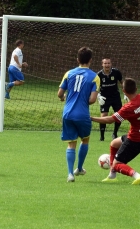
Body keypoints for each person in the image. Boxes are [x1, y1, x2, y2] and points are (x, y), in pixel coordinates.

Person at [91, 78, 140, 185]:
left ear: (123, 91)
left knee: (117, 164)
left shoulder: (128, 107)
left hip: (135, 140)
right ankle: (112, 175)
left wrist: (91, 118)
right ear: (136, 88)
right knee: (114, 143)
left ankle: (138, 176)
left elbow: (110, 120)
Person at [57, 46, 101, 182]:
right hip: (82, 114)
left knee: (71, 144)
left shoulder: (68, 73)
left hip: (68, 113)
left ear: (78, 60)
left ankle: (70, 174)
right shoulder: (95, 77)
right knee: (85, 140)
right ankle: (80, 168)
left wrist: (64, 98)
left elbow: (60, 94)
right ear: (91, 60)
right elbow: (92, 100)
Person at [97, 58, 124, 141]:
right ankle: (102, 136)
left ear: (111, 64)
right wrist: (98, 96)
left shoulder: (116, 72)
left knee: (119, 116)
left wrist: (126, 92)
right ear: (102, 64)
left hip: (115, 97)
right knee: (103, 116)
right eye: (105, 63)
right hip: (104, 98)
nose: (107, 65)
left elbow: (122, 82)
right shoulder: (99, 75)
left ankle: (115, 133)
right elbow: (94, 86)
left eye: (108, 63)